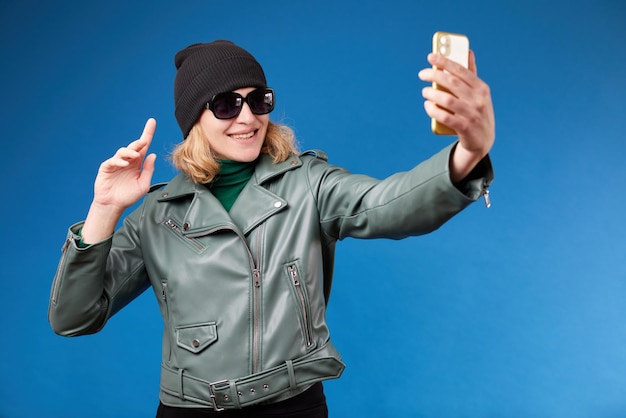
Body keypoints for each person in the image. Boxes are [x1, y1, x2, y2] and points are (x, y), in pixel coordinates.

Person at [48, 40, 495, 417]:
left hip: (293, 406)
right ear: (194, 121)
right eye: (226, 104)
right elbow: (73, 318)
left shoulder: (309, 183)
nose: (247, 118)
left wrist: (469, 152)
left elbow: (389, 205)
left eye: (258, 99)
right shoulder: (157, 213)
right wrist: (104, 209)